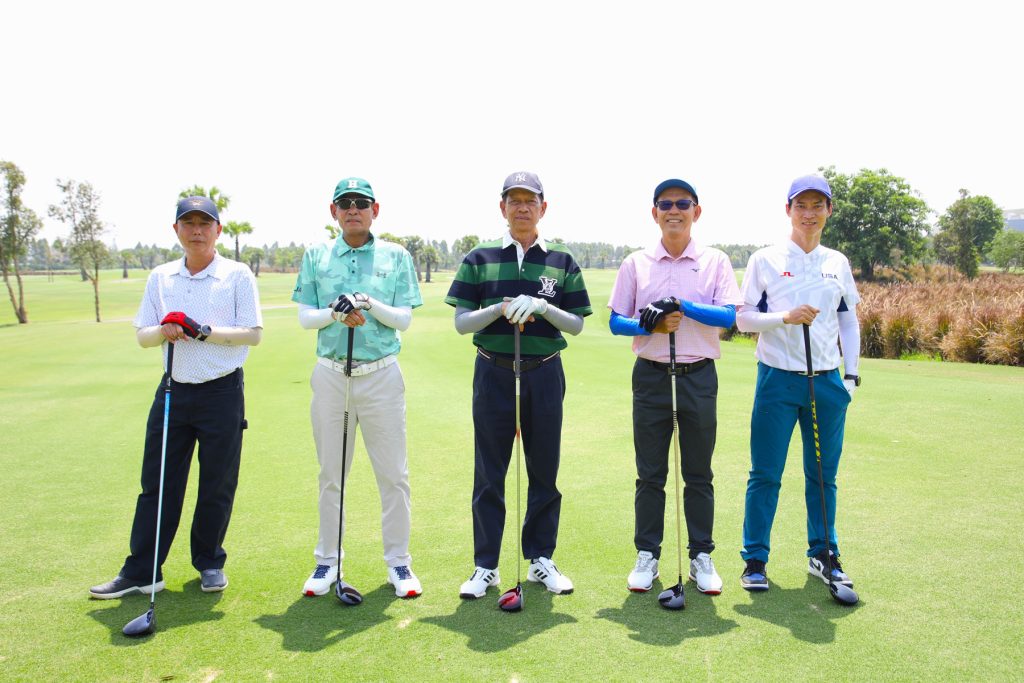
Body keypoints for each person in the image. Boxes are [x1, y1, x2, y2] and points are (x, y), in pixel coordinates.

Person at [90, 196, 263, 599]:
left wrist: (201, 330)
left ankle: (209, 562)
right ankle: (143, 570)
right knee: (158, 483)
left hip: (222, 391)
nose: (197, 231)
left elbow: (252, 334)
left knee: (217, 483)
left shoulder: (237, 275)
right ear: (176, 230)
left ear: (218, 230)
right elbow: (143, 336)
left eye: (205, 223)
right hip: (173, 390)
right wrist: (165, 329)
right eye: (189, 223)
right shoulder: (161, 277)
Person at [445, 171, 592, 598]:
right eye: (514, 200)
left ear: (543, 208)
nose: (522, 208)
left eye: (530, 201)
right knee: (490, 472)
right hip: (493, 370)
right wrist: (498, 309)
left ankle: (541, 559)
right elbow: (461, 323)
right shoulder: (480, 258)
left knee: (544, 469)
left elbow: (577, 324)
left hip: (544, 371)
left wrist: (543, 307)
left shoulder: (561, 261)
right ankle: (486, 566)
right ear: (502, 207)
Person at [607, 178, 742, 596]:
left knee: (698, 473)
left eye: (683, 203)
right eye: (665, 204)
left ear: (696, 212)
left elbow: (728, 316)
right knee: (650, 474)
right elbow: (616, 322)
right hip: (650, 376)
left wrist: (683, 307)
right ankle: (647, 554)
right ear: (655, 213)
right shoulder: (636, 263)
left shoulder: (715, 261)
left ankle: (701, 555)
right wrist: (650, 323)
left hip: (698, 375)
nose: (674, 210)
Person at [292, 177, 423, 599]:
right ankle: (328, 561)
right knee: (331, 474)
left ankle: (399, 562)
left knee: (394, 475)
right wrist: (334, 312)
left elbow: (403, 319)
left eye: (361, 203)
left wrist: (367, 302)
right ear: (333, 211)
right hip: (332, 374)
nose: (353, 209)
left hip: (381, 375)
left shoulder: (396, 255)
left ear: (374, 210)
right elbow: (306, 317)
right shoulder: (316, 255)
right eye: (345, 203)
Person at [736, 174, 861, 591]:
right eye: (801, 206)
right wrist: (784, 318)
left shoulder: (837, 262)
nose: (809, 214)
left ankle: (823, 554)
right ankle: (755, 560)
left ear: (829, 210)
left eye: (817, 205)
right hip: (777, 379)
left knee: (823, 475)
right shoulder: (766, 259)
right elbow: (744, 318)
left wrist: (851, 376)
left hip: (826, 381)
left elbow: (848, 321)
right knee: (765, 474)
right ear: (788, 210)